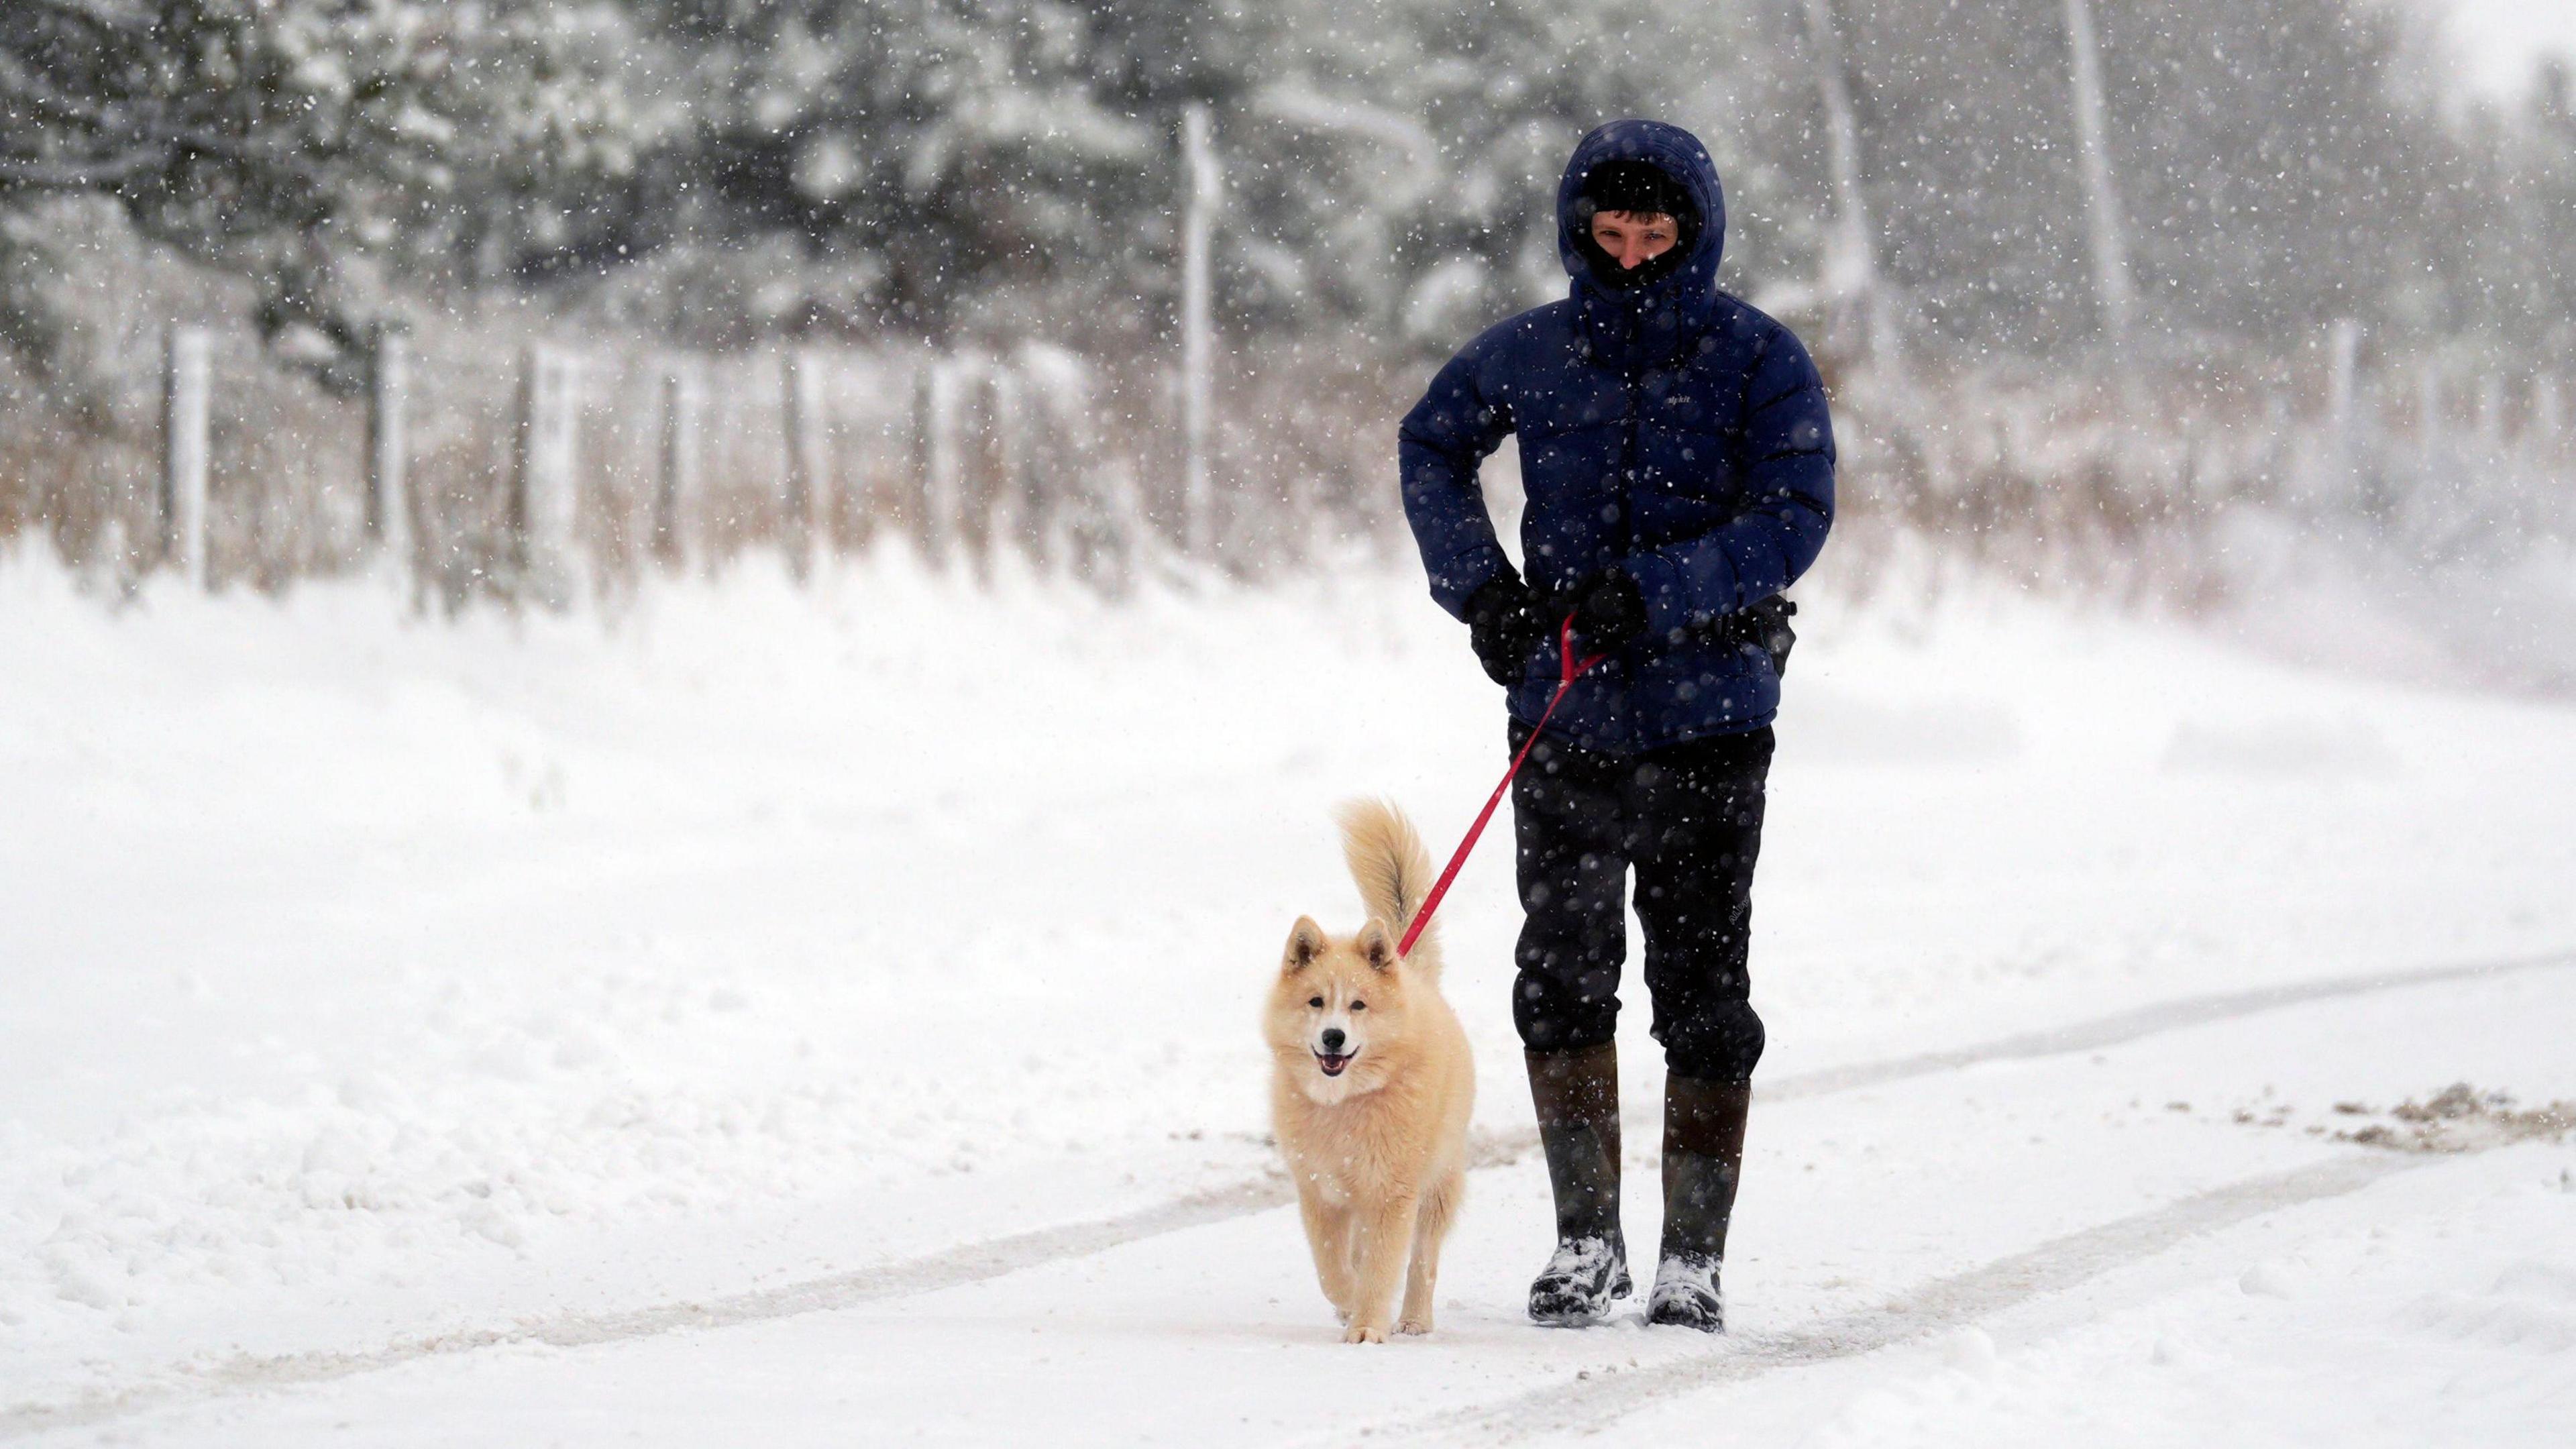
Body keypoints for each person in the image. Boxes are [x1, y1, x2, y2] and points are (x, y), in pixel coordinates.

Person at [1396, 118, 1834, 1331]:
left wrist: (1664, 589)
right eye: (1612, 232)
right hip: (1566, 717)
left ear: (1695, 230)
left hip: (1713, 718)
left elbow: (1795, 511)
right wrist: (1481, 593)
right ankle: (1584, 1244)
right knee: (1562, 978)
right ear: (1578, 231)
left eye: (1657, 233)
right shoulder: (1533, 353)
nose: (1635, 254)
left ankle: (1694, 1260)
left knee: (1702, 986)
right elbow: (1431, 445)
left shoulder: (1759, 358)